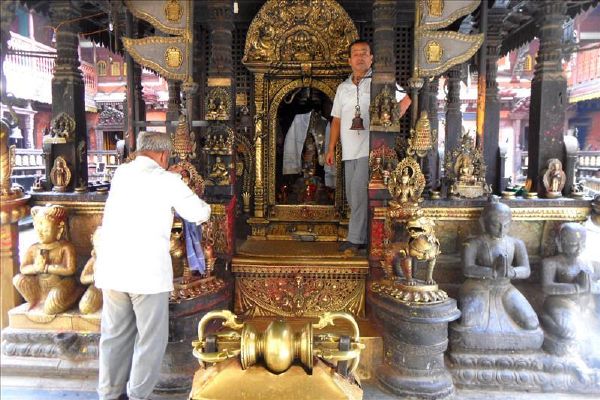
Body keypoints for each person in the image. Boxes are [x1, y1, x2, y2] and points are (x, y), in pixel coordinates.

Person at [94, 131, 211, 400]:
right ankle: (137, 395)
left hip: (113, 270)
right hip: (146, 274)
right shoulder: (167, 180)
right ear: (163, 155)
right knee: (150, 340)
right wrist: (180, 184)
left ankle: (109, 394)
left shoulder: (121, 175)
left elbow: (147, 180)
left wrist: (167, 175)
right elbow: (198, 212)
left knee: (114, 336)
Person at [325, 39, 411, 252]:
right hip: (348, 152)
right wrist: (331, 148)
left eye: (364, 53)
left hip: (371, 150)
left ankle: (355, 240)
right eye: (356, 54)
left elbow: (407, 99)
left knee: (358, 192)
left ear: (371, 58)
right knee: (353, 196)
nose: (360, 57)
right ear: (349, 60)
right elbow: (336, 120)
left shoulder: (380, 82)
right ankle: (364, 238)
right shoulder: (343, 88)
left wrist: (390, 119)